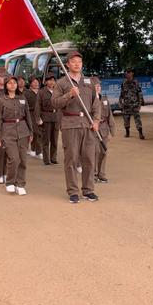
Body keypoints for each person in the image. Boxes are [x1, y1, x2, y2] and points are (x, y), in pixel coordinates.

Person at [51, 51, 101, 204]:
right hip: (70, 124)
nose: (77, 64)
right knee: (71, 159)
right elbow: (55, 103)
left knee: (89, 159)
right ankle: (73, 191)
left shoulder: (88, 82)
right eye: (73, 61)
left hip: (87, 124)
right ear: (67, 64)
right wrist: (70, 95)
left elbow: (96, 103)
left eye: (79, 61)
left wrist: (97, 120)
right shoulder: (62, 83)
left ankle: (88, 190)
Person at [0, 74, 33, 196]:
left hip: (23, 131)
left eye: (14, 83)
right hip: (7, 132)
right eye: (9, 83)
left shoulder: (22, 99)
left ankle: (20, 184)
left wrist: (31, 132)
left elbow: (27, 116)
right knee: (14, 159)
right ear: (5, 85)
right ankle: (10, 182)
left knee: (23, 160)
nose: (13, 85)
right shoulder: (1, 100)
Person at [91, 76, 116, 183]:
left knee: (104, 152)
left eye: (99, 86)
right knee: (95, 152)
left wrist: (112, 131)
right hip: (93, 129)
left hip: (104, 129)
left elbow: (110, 116)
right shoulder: (88, 99)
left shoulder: (104, 99)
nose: (98, 87)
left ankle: (102, 174)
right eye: (96, 86)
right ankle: (94, 174)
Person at [35, 72, 59, 165]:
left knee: (55, 140)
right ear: (46, 82)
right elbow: (38, 106)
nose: (52, 82)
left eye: (53, 80)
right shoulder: (41, 92)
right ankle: (46, 159)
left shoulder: (57, 91)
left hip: (55, 117)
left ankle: (53, 158)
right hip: (46, 118)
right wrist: (38, 118)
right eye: (50, 80)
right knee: (46, 140)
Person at [118, 67, 145, 139]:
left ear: (132, 73)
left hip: (135, 104)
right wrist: (120, 102)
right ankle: (127, 132)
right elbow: (122, 93)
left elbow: (139, 94)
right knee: (126, 119)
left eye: (129, 72)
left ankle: (140, 133)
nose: (127, 73)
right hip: (126, 105)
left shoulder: (136, 82)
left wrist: (139, 104)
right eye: (126, 72)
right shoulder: (124, 83)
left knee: (137, 119)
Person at [24, 76, 42, 159]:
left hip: (41, 114)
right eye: (34, 82)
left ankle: (35, 150)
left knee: (40, 133)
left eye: (37, 81)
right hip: (31, 114)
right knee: (35, 132)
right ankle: (37, 150)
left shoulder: (41, 92)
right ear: (30, 84)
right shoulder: (26, 93)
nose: (36, 83)